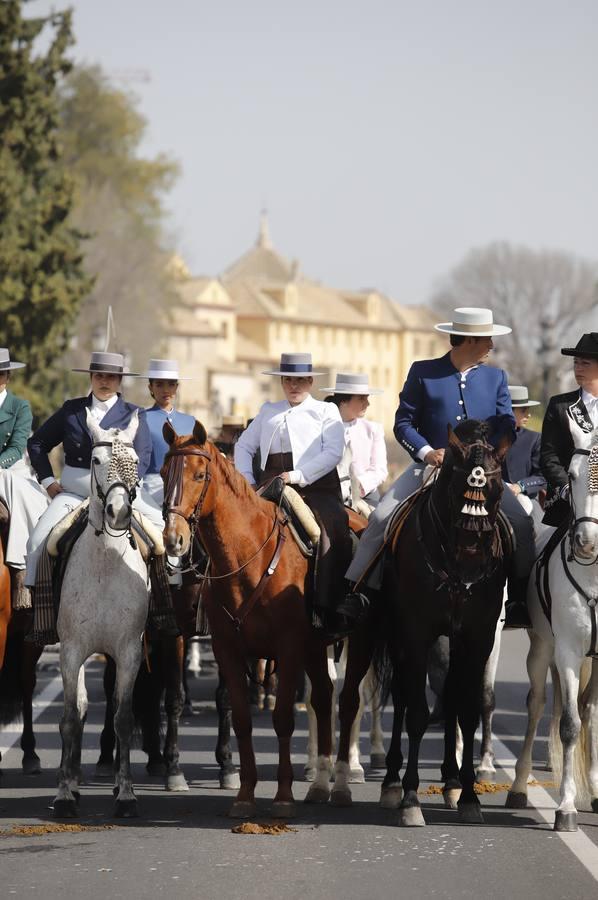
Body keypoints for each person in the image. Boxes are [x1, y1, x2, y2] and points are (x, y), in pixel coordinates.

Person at [345, 307, 535, 617]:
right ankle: (360, 590)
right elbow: (403, 423)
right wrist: (426, 452)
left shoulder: (496, 377)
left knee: (521, 523)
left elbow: (506, 426)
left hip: (480, 472)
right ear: (470, 341)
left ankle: (517, 599)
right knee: (381, 517)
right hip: (429, 467)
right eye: (488, 339)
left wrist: (494, 444)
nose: (492, 346)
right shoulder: (423, 372)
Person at [234, 352, 355, 637]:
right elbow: (243, 447)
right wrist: (248, 483)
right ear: (282, 381)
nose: (294, 385)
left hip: (316, 487)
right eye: (289, 380)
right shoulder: (268, 410)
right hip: (270, 485)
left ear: (311, 381)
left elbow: (333, 453)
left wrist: (298, 476)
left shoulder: (326, 412)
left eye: (301, 380)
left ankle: (328, 608)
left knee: (331, 530)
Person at [25, 351, 152, 590]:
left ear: (120, 381)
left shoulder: (134, 414)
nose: (105, 381)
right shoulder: (71, 411)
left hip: (121, 494)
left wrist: (127, 489)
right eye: (99, 375)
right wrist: (49, 481)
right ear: (91, 377)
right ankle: (37, 611)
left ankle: (164, 608)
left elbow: (143, 456)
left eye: (111, 377)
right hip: (74, 493)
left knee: (161, 538)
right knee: (36, 542)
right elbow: (37, 443)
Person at [0, 349, 49, 607]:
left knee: (22, 496)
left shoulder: (20, 407)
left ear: (6, 375)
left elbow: (17, 447)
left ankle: (21, 571)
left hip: (11, 469)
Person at [541, 332, 598, 528]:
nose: (578, 368)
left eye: (585, 363)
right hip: (566, 503)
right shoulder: (559, 405)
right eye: (575, 363)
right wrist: (567, 489)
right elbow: (549, 457)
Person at [321, 372, 388, 510]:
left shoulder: (374, 429)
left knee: (380, 520)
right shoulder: (319, 427)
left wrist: (357, 487)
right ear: (344, 401)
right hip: (327, 494)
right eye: (362, 398)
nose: (368, 403)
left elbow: (380, 470)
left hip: (365, 494)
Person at [502, 385, 546, 501]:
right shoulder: (490, 437)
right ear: (508, 411)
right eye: (523, 411)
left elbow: (542, 476)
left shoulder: (534, 438)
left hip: (526, 497)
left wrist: (520, 486)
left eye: (528, 410)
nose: (529, 415)